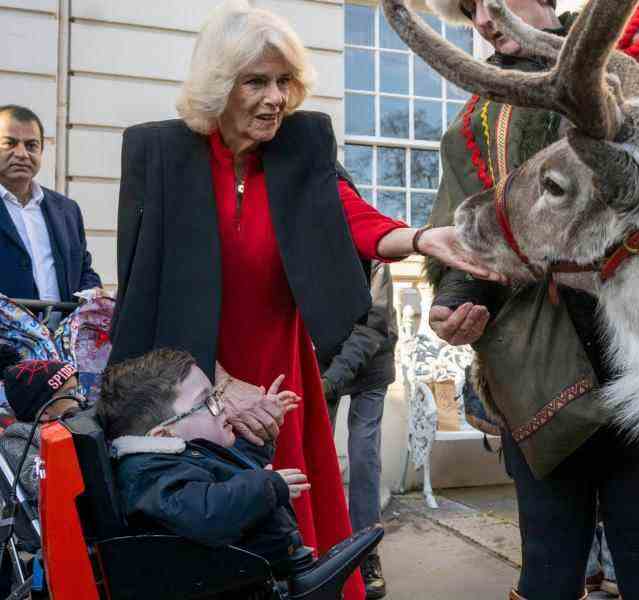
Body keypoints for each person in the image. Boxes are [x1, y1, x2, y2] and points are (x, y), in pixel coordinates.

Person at [106, 3, 499, 599]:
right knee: (210, 542)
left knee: (293, 538)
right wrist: (212, 386)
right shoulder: (161, 155)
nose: (275, 98)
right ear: (220, 85)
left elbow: (347, 216)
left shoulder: (300, 150)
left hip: (279, 381)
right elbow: (142, 289)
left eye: (284, 81)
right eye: (256, 81)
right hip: (190, 389)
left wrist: (421, 238)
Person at [420, 0, 639, 597]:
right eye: (469, 10)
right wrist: (457, 306)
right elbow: (469, 234)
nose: (485, 19)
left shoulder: (636, 70)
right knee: (549, 559)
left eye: (496, 1)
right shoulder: (474, 121)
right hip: (535, 372)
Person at [96, 349, 329, 584]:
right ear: (164, 433)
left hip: (265, 572)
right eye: (207, 402)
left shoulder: (178, 453)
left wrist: (261, 438)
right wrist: (266, 486)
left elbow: (229, 471)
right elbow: (207, 512)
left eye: (217, 396)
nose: (223, 407)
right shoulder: (149, 476)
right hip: (243, 583)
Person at [321, 261, 397, 600]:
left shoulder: (375, 259)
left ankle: (367, 552)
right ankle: (319, 543)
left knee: (364, 456)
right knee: (317, 451)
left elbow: (373, 325)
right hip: (324, 363)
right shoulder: (310, 246)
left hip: (372, 361)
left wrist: (333, 378)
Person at [0, 105, 101, 310]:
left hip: (59, 337)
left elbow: (83, 270)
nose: (22, 154)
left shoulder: (67, 210)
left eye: (31, 145)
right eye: (10, 143)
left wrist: (92, 293)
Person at [0, 344, 84, 507]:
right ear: (44, 412)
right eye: (70, 394)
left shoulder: (76, 424)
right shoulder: (17, 441)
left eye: (78, 390)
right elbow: (43, 484)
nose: (80, 398)